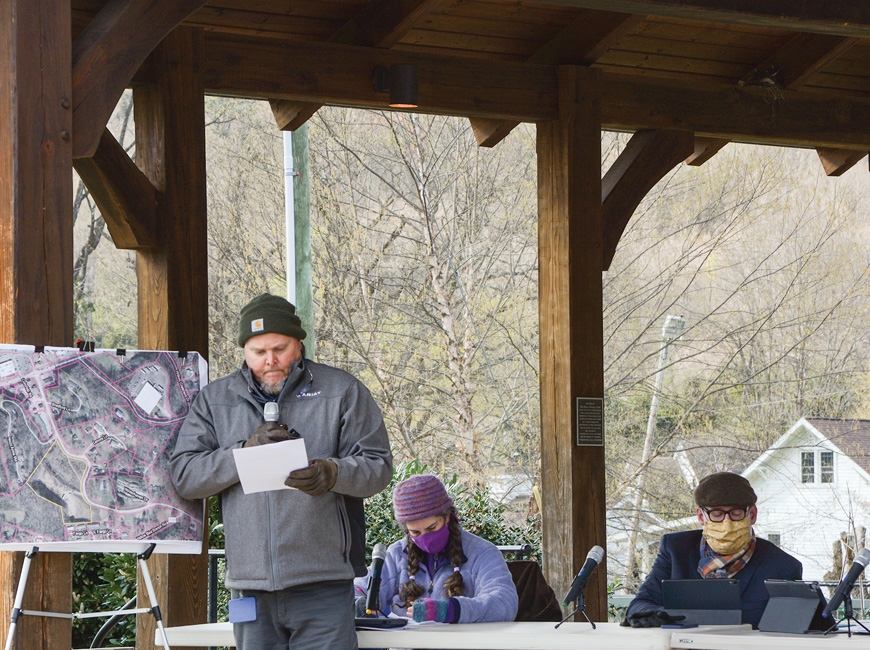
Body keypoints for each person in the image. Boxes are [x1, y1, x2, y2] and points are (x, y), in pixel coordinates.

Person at [170, 293, 393, 650]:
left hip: (323, 584)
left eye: (280, 348)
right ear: (244, 351)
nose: (270, 361)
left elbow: (378, 467)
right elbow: (184, 475)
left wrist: (333, 473)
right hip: (249, 589)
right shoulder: (215, 400)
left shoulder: (341, 391)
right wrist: (241, 454)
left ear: (299, 344)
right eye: (258, 352)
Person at [624, 471, 802, 629]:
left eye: (736, 513)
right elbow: (640, 604)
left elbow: (808, 626)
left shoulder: (783, 566)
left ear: (752, 515)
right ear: (701, 516)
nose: (726, 522)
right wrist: (660, 614)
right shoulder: (676, 549)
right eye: (716, 514)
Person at [357, 474, 518, 624]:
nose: (425, 538)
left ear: (447, 516)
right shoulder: (396, 555)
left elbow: (504, 602)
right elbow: (356, 589)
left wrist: (452, 610)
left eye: (432, 528)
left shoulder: (482, 553)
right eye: (415, 532)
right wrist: (359, 602)